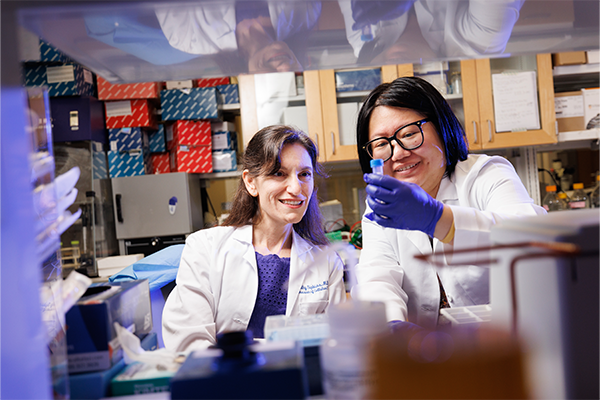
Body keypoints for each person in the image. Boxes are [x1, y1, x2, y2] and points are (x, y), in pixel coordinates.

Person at [352, 76, 546, 330]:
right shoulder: (381, 204)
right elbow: (377, 274)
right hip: (426, 352)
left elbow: (529, 242)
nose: (397, 153)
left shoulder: (486, 174)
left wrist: (436, 219)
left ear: (442, 127)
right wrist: (392, 323)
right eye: (381, 143)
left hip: (507, 342)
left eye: (409, 134)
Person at [162, 125, 346, 352]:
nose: (296, 188)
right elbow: (188, 341)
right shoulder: (205, 249)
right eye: (279, 173)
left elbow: (336, 345)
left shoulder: (327, 263)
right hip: (223, 382)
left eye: (304, 174)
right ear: (251, 182)